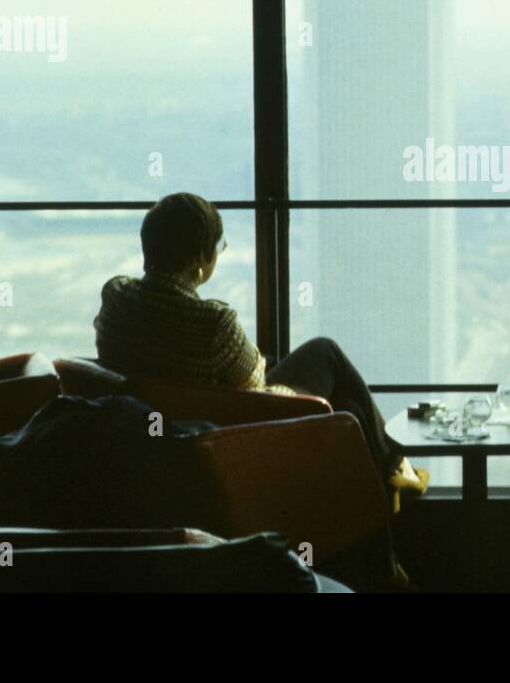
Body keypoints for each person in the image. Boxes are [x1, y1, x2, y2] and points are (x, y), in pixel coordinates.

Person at [92, 192, 428, 507]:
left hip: (157, 431)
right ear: (199, 259)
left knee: (349, 407)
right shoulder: (211, 321)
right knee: (327, 354)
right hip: (235, 434)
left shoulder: (117, 297)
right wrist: (249, 356)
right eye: (217, 247)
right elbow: (253, 383)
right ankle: (394, 466)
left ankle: (390, 480)